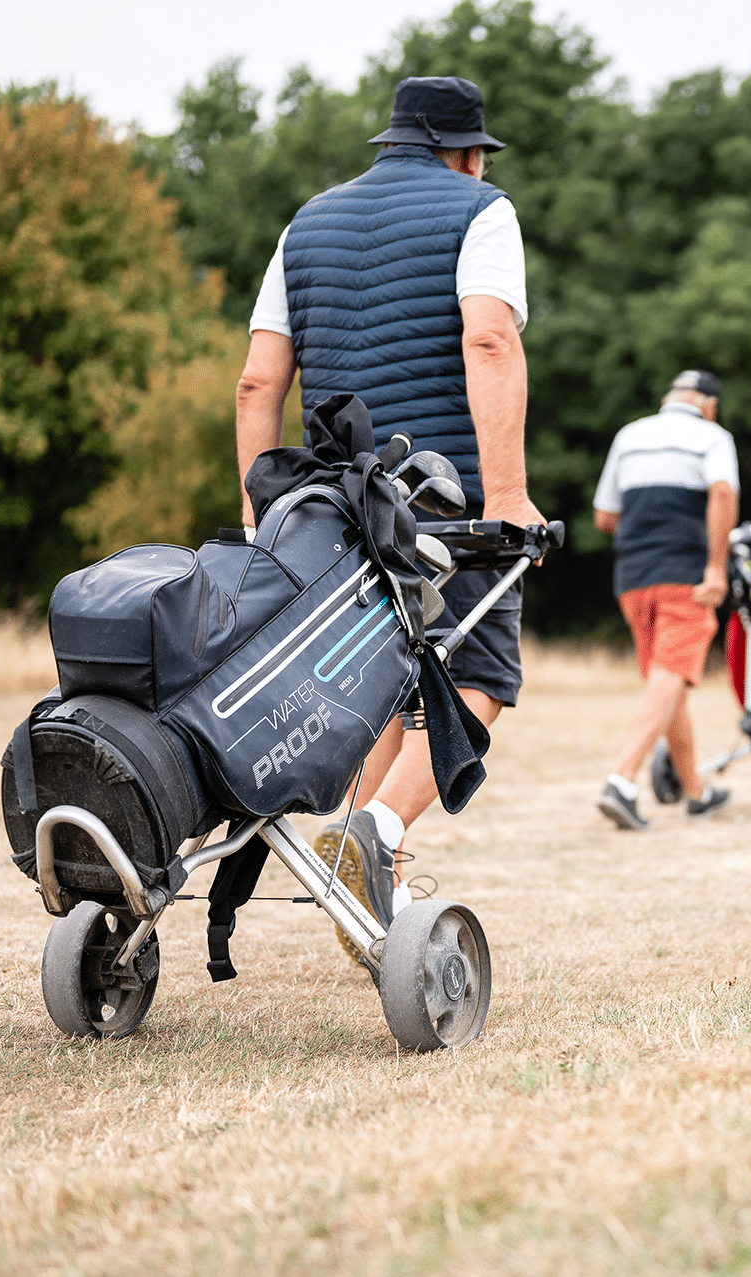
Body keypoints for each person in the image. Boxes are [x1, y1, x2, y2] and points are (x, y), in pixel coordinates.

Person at [234, 76, 544, 946]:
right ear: (468, 152)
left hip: (330, 507)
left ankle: (368, 883)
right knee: (483, 678)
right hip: (437, 502)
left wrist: (261, 514)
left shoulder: (307, 223)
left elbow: (258, 380)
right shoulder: (482, 210)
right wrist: (508, 495)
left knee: (377, 687)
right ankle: (378, 833)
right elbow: (488, 338)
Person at [591, 370, 740, 830]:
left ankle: (695, 793)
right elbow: (721, 492)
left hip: (633, 578)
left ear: (667, 399)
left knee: (666, 685)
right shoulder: (713, 437)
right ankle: (622, 780)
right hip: (686, 577)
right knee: (671, 676)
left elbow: (604, 516)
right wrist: (716, 567)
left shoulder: (630, 435)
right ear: (709, 405)